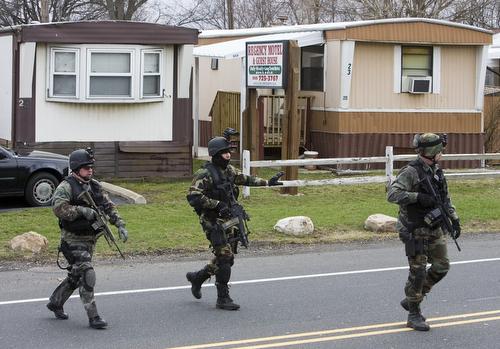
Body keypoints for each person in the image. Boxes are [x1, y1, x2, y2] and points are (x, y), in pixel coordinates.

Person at [186, 135, 283, 310]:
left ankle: (198, 277)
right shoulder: (205, 174)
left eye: (229, 152)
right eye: (224, 153)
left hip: (228, 219)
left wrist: (268, 182)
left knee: (226, 259)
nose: (228, 155)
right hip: (212, 221)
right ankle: (222, 298)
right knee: (225, 257)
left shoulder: (229, 171)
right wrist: (217, 204)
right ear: (215, 155)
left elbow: (245, 179)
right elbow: (193, 196)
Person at [46, 148, 128, 329]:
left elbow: (107, 206)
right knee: (87, 274)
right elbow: (58, 208)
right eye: (85, 167)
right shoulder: (66, 187)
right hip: (72, 240)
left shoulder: (94, 186)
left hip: (89, 240)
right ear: (76, 169)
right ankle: (94, 317)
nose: (90, 170)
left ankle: (55, 302)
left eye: (91, 167)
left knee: (76, 277)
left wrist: (120, 224)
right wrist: (83, 210)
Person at [387, 133, 461, 331]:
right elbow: (392, 194)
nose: (442, 154)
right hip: (414, 229)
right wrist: (417, 196)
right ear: (433, 152)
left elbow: (444, 198)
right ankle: (414, 313)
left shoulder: (436, 171)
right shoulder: (411, 172)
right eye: (440, 151)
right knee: (418, 272)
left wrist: (454, 218)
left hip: (434, 226)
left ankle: (413, 296)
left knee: (442, 266)